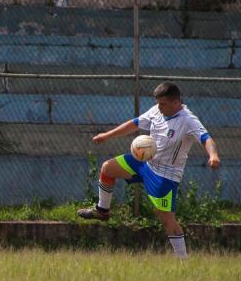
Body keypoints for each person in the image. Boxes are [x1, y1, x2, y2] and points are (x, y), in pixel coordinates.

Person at [78, 82, 221, 259]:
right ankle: (102, 210)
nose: (159, 108)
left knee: (166, 219)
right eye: (158, 103)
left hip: (165, 176)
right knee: (108, 168)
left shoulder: (188, 120)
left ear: (176, 103)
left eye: (163, 104)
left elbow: (206, 138)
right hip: (143, 163)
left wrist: (213, 155)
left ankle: (183, 259)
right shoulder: (156, 110)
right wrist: (107, 135)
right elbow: (135, 124)